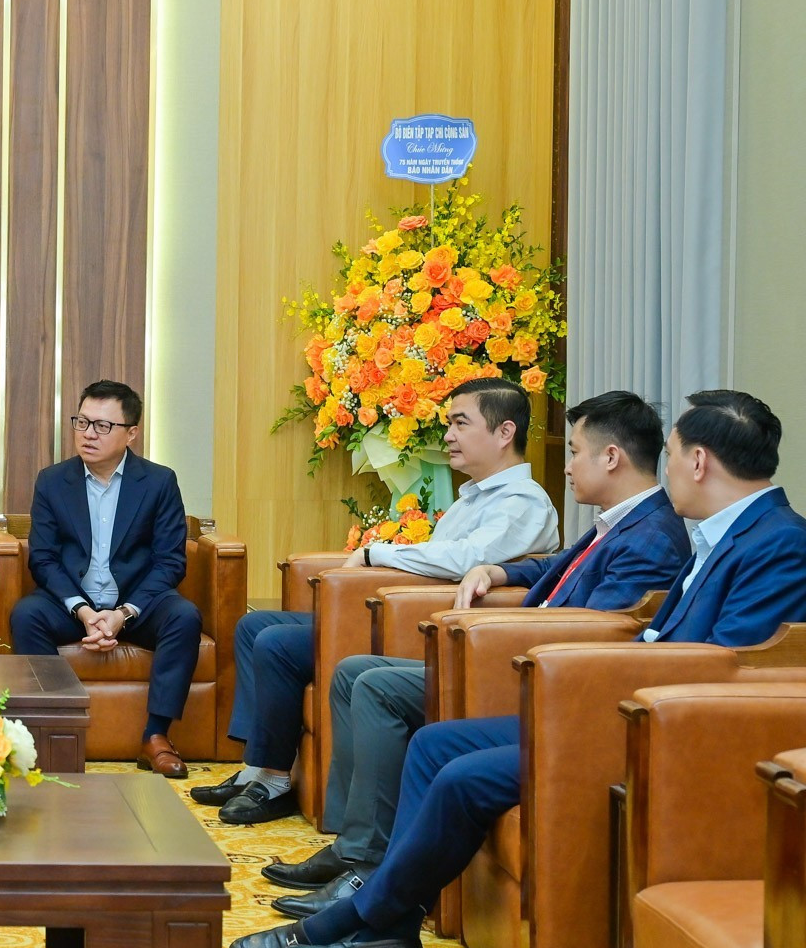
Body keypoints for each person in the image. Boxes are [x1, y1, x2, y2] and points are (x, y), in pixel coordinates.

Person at [231, 389, 806, 948]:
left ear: (699, 461)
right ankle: (390, 928)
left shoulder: (777, 543)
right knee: (435, 744)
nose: (667, 470)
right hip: (628, 706)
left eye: (674, 454)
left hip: (667, 731)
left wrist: (619, 674)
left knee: (461, 777)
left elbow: (726, 666)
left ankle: (363, 922)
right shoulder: (723, 532)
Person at [264, 391, 689, 915]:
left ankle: (368, 866)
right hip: (518, 659)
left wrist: (508, 631)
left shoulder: (650, 538)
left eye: (575, 451)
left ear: (611, 457)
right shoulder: (621, 524)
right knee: (355, 671)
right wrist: (498, 570)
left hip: (538, 677)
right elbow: (557, 568)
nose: (568, 465)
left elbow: (597, 638)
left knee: (376, 685)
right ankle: (359, 849)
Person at [199, 377, 560, 825]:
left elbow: (466, 558)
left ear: (505, 432)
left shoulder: (522, 501)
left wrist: (376, 552)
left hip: (432, 626)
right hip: (412, 610)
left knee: (275, 643)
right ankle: (258, 765)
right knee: (254, 626)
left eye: (459, 423)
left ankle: (273, 781)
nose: (447, 435)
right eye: (448, 423)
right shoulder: (474, 497)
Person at [9, 380, 205, 779]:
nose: (88, 434)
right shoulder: (52, 481)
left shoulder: (159, 482)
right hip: (74, 601)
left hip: (137, 602)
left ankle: (156, 737)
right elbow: (43, 559)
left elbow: (170, 562)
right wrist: (82, 610)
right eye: (82, 422)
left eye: (102, 426)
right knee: (27, 614)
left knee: (184, 617)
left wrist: (124, 613)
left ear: (131, 433)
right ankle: (51, 729)